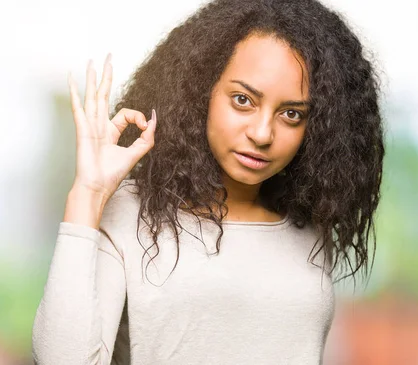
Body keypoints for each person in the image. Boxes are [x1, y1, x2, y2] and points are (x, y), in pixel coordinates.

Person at [32, 0, 385, 363]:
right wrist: (88, 194)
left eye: (291, 114)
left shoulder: (309, 227)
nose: (263, 133)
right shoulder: (129, 213)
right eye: (243, 100)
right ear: (201, 92)